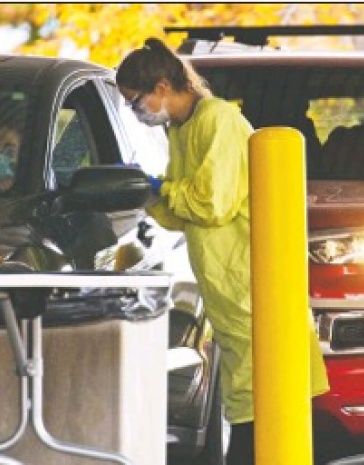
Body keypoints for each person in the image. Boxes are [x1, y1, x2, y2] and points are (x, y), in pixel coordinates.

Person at [115, 38, 329, 464]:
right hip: (227, 292)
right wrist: (150, 194)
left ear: (162, 87)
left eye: (136, 101)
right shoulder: (181, 129)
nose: (135, 111)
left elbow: (212, 204)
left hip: (254, 285)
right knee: (247, 406)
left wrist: (163, 189)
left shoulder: (217, 120)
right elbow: (181, 215)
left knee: (264, 410)